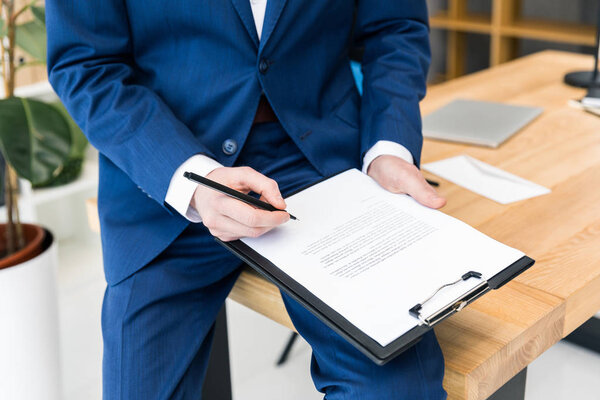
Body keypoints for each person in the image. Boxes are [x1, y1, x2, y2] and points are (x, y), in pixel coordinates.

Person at [47, 1, 447, 398]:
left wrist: (388, 148)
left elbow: (395, 28)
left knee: (398, 387)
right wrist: (195, 180)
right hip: (166, 167)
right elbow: (86, 66)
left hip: (320, 159)